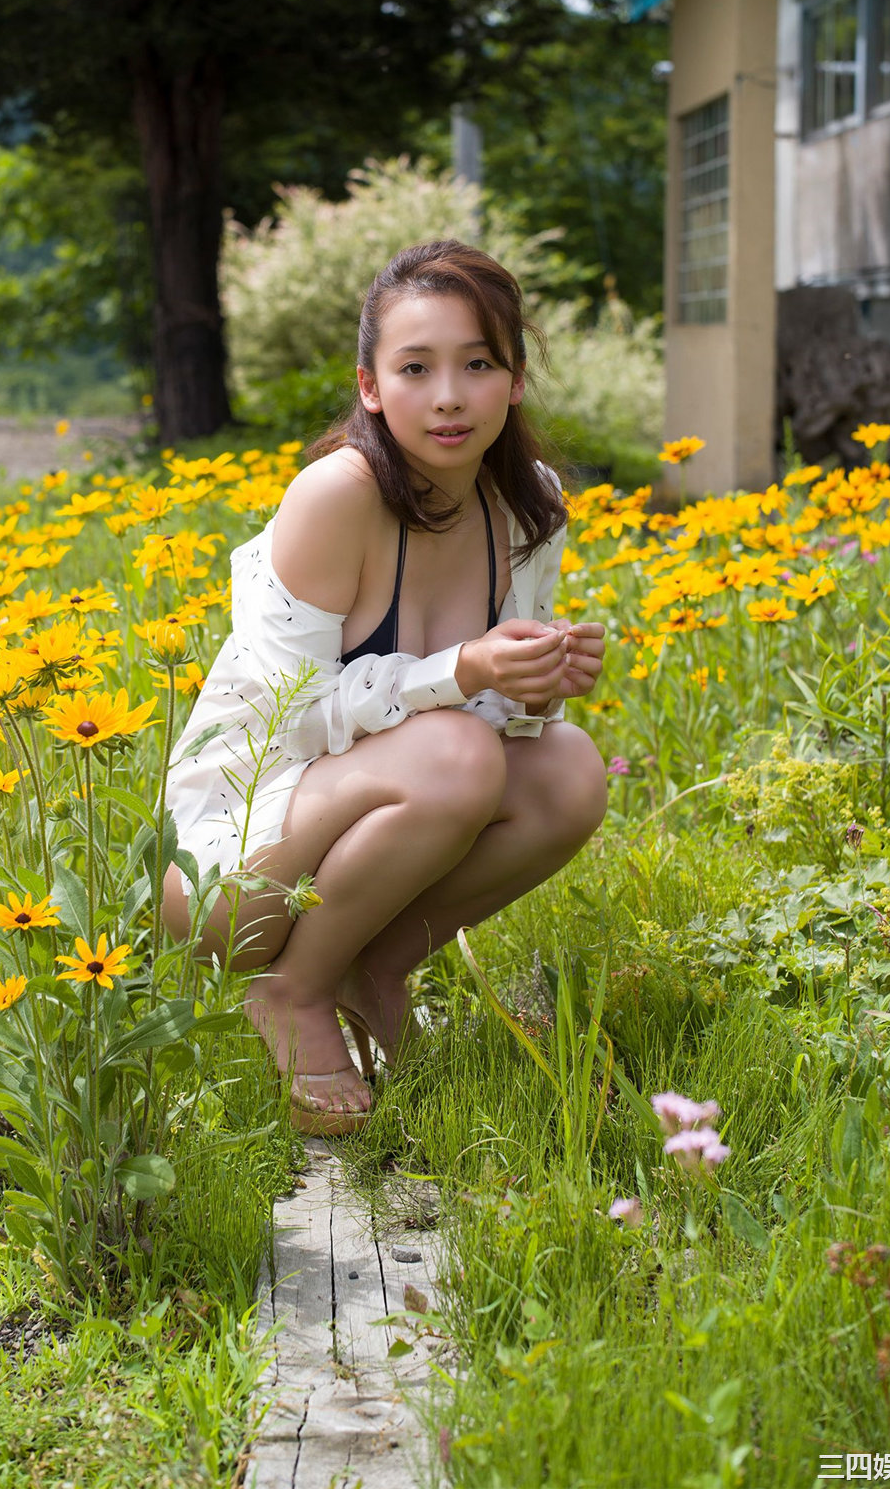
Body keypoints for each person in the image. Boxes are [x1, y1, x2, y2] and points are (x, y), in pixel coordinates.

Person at [161, 239, 608, 1134]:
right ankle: (291, 990)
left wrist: (536, 682)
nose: (449, 395)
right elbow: (283, 726)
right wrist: (463, 670)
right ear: (371, 385)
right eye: (416, 367)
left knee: (569, 769)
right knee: (453, 753)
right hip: (228, 867)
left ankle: (375, 965)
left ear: (515, 379)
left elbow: (489, 723)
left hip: (366, 819)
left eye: (479, 363)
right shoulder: (338, 497)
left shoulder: (531, 503)